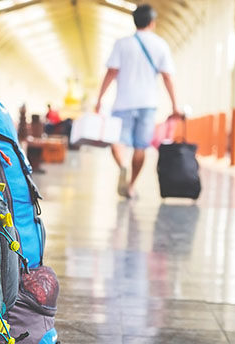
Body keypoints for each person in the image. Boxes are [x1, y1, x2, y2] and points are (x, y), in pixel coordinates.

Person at [94, 3, 180, 199]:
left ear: (135, 22)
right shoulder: (160, 45)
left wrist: (99, 99)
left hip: (122, 103)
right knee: (141, 147)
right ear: (152, 23)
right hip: (148, 104)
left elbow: (111, 72)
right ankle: (131, 185)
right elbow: (168, 77)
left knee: (116, 141)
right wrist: (175, 105)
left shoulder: (122, 44)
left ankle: (123, 166)